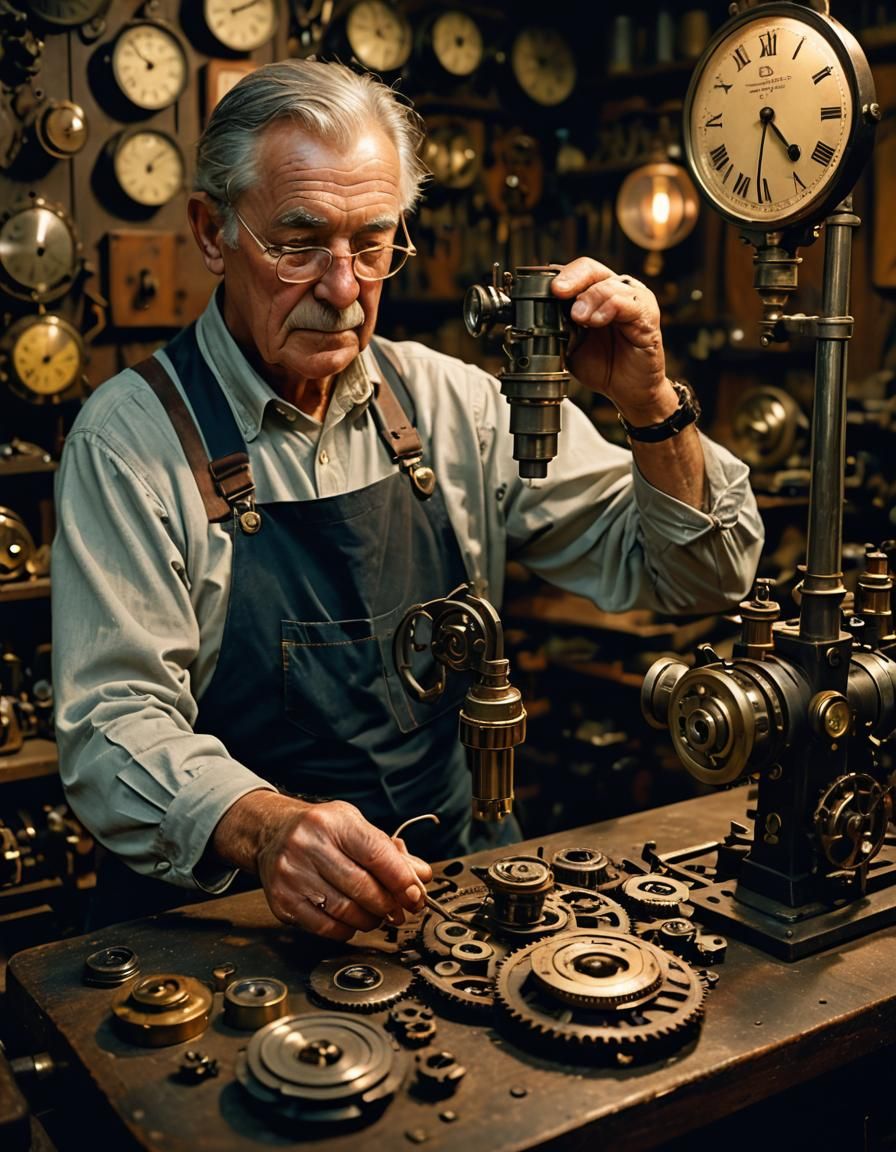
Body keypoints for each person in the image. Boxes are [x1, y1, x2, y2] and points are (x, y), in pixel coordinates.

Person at [52, 59, 763, 940]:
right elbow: (112, 725)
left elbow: (701, 577)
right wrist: (266, 828)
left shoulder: (451, 403)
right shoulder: (130, 442)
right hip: (235, 921)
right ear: (211, 231)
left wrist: (651, 406)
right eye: (299, 243)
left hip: (450, 890)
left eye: (373, 243)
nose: (345, 288)